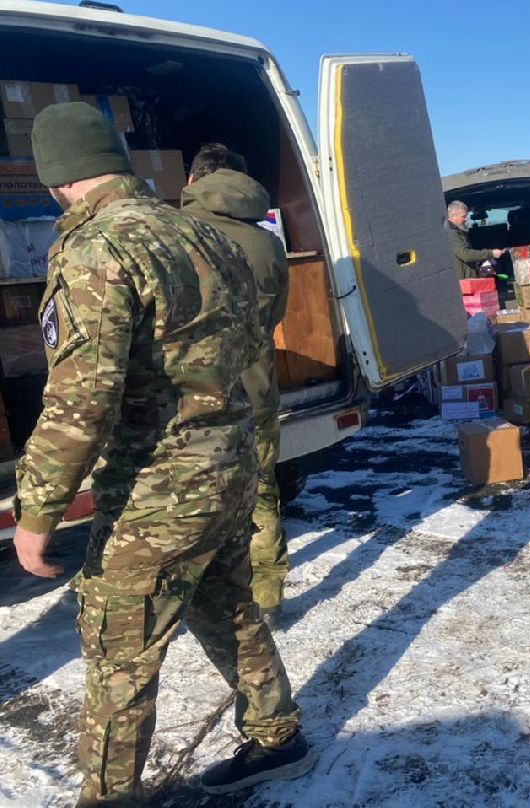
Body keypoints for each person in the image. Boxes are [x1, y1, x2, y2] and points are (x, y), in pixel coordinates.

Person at [13, 102, 313, 803]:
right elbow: (245, 344)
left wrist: (37, 512)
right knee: (226, 604)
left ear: (55, 177)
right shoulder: (205, 236)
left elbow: (80, 403)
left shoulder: (97, 249)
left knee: (119, 650)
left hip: (160, 488)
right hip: (231, 460)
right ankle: (277, 737)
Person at [181, 143, 291, 620]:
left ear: (193, 182)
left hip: (189, 401)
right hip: (257, 389)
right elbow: (277, 316)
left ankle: (204, 602)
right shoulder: (268, 241)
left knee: (193, 503)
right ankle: (267, 598)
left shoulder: (176, 235)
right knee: (262, 493)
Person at [446, 199, 505, 279]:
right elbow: (465, 255)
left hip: (469, 279)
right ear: (453, 215)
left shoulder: (458, 232)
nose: (466, 219)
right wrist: (491, 253)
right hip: (463, 283)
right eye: (463, 216)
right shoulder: (452, 234)